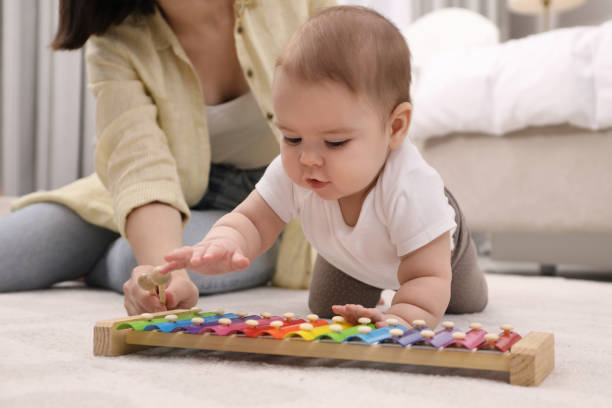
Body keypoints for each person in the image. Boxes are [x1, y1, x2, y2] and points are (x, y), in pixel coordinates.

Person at [160, 5, 489, 329]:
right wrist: (225, 240)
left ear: (396, 127)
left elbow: (425, 276)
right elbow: (253, 220)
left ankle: (460, 275)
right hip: (349, 255)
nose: (308, 159)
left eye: (334, 143)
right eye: (291, 137)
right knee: (325, 306)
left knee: (456, 300)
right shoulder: (298, 169)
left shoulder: (412, 189)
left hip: (434, 249)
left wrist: (399, 318)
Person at [0, 0, 335, 315]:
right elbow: (138, 167)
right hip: (157, 189)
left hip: (272, 203)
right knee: (12, 248)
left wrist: (155, 268)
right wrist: (159, 269)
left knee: (132, 260)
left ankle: (104, 261)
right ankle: (107, 255)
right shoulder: (118, 37)